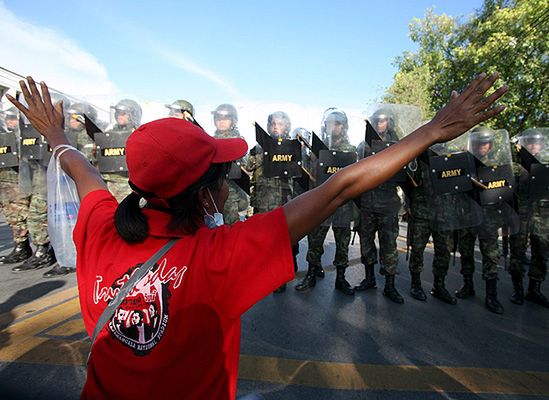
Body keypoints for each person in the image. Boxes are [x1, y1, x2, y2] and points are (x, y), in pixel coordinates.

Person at [8, 73, 505, 400]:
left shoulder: (100, 225)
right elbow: (340, 188)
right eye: (221, 173)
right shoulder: (219, 257)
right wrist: (433, 130)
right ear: (208, 194)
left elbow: (79, 169)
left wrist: (57, 136)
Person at [295, 109, 358, 295]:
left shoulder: (351, 150)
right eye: (330, 123)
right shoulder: (318, 149)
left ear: (344, 127)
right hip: (321, 202)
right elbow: (309, 173)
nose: (334, 127)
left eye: (338, 123)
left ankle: (341, 278)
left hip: (343, 205)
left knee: (342, 242)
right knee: (315, 241)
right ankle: (311, 274)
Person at [356, 108, 405, 304]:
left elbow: (407, 176)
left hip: (388, 204)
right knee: (366, 243)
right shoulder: (364, 145)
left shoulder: (398, 146)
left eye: (383, 121)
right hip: (367, 202)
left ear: (389, 123)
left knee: (389, 246)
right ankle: (369, 278)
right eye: (376, 121)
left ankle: (390, 285)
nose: (379, 124)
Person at [455, 126, 505, 314]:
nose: (481, 147)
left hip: (489, 216)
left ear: (490, 145)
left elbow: (505, 190)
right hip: (467, 214)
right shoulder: (464, 162)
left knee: (490, 256)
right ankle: (468, 285)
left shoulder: (497, 163)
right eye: (478, 143)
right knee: (466, 252)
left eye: (485, 143)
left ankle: (491, 295)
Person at [246, 111, 297, 293]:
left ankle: (279, 276)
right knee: (261, 240)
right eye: (273, 124)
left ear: (287, 127)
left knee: (280, 242)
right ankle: (261, 273)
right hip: (261, 201)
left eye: (280, 124)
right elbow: (247, 166)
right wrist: (264, 154)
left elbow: (300, 171)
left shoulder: (293, 147)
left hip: (282, 202)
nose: (276, 127)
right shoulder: (259, 147)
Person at [509, 128, 549, 307]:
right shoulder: (515, 167)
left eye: (536, 143)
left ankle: (535, 288)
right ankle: (517, 288)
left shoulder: (546, 165)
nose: (533, 146)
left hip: (542, 217)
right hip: (520, 216)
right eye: (529, 142)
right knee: (517, 253)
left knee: (540, 253)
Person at [0, 108, 32, 265]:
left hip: (18, 184)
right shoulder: (5, 137)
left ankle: (24, 249)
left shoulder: (25, 137)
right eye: (8, 118)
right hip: (5, 184)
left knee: (21, 217)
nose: (9, 121)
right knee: (11, 217)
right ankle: (20, 246)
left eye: (13, 118)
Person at [97, 99, 142, 202]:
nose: (119, 115)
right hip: (110, 183)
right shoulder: (108, 134)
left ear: (133, 115)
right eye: (117, 112)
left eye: (123, 113)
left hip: (130, 185)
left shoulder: (139, 133)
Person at [212, 104, 249, 224]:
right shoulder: (209, 140)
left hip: (231, 194)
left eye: (225, 118)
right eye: (218, 118)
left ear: (233, 121)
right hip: (212, 191)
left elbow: (245, 166)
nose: (221, 121)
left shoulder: (239, 141)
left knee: (231, 227)